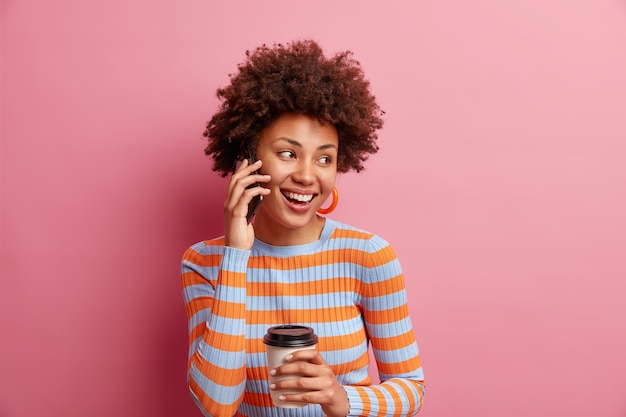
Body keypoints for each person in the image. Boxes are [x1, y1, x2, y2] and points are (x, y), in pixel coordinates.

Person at [181, 39, 425, 417]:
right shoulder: (204, 263)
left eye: (324, 158)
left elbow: (411, 389)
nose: (307, 175)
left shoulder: (369, 256)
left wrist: (342, 399)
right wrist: (235, 255)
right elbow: (216, 404)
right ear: (248, 158)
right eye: (288, 154)